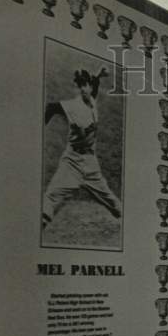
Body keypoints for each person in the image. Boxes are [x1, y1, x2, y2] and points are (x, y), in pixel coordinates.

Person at [42, 66, 122, 229]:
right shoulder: (72, 106)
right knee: (51, 196)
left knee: (111, 200)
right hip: (72, 162)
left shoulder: (92, 100)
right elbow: (50, 107)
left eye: (85, 84)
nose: (83, 89)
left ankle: (127, 221)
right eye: (79, 85)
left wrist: (98, 76)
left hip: (91, 163)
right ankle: (39, 225)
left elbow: (95, 86)